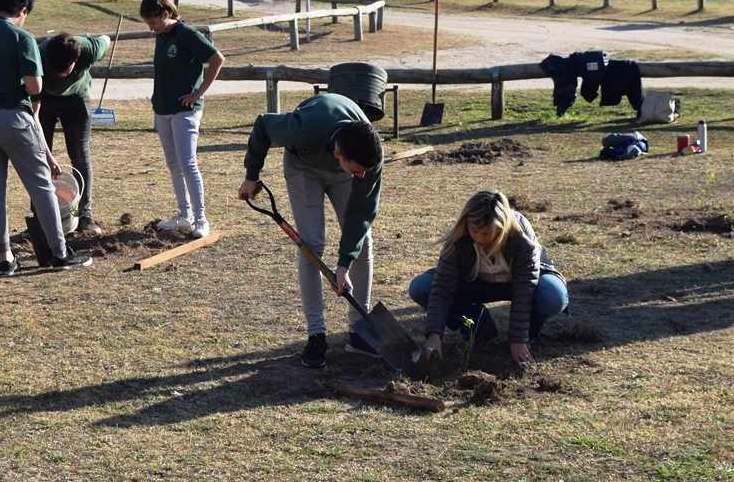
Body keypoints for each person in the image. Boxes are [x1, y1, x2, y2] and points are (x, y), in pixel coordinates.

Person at [0, 0, 92, 276]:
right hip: (13, 118)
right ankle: (59, 252)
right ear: (22, 10)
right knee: (41, 186)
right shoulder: (22, 37)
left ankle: (5, 258)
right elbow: (34, 86)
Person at [238, 93, 383, 368]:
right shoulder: (304, 128)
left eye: (364, 172)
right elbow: (263, 126)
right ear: (339, 153)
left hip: (342, 170)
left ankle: (359, 332)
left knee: (363, 243)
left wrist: (344, 265)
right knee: (312, 245)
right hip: (303, 164)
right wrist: (251, 176)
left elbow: (360, 216)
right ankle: (316, 335)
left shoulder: (369, 158)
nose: (362, 177)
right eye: (358, 172)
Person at [408, 190, 569, 366]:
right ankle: (476, 323)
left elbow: (524, 291)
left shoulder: (520, 238)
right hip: (475, 284)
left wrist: (518, 339)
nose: (479, 238)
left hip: (519, 283)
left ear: (501, 228)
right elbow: (442, 288)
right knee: (422, 287)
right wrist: (434, 335)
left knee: (553, 296)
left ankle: (527, 337)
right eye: (474, 231)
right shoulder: (459, 238)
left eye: (487, 234)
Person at [140, 0, 225, 240]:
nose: (152, 29)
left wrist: (198, 93)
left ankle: (201, 218)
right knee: (173, 164)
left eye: (154, 23)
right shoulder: (162, 35)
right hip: (162, 110)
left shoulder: (188, 34)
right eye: (148, 25)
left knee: (188, 164)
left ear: (165, 14)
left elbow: (217, 59)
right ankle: (184, 215)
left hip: (184, 112)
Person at [38, 32, 112, 234]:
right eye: (56, 69)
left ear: (77, 59)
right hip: (43, 100)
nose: (61, 74)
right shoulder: (39, 54)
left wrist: (92, 37)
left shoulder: (89, 49)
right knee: (40, 157)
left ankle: (84, 215)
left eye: (66, 69)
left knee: (80, 155)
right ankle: (40, 216)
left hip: (76, 100)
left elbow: (106, 39)